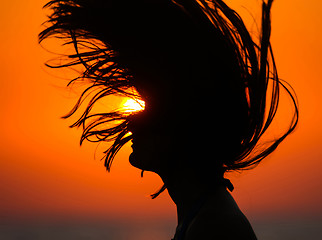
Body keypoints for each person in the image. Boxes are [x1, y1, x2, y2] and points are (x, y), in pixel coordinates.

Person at [39, 0, 298, 239]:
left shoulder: (215, 227)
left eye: (150, 112)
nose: (132, 122)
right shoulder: (200, 214)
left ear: (183, 131)